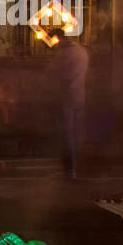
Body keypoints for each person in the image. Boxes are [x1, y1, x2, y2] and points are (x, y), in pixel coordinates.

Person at [47, 28, 89, 179]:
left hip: (66, 98)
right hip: (80, 96)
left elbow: (52, 74)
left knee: (67, 134)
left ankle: (70, 170)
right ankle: (79, 168)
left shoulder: (63, 55)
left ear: (58, 38)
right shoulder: (81, 51)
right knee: (78, 133)